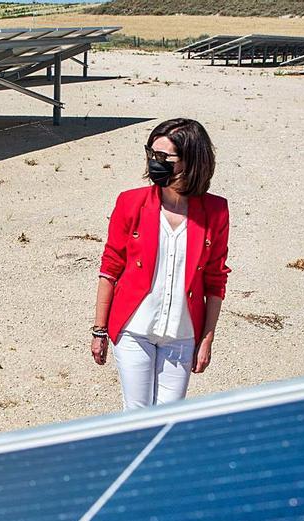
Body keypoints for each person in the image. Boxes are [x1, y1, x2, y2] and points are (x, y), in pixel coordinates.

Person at [91, 118, 230, 408]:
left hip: (182, 335)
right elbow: (110, 269)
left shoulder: (215, 211)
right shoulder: (130, 203)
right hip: (134, 330)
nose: (156, 162)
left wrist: (207, 338)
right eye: (152, 155)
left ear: (190, 161)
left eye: (164, 157)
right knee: (138, 416)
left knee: (168, 422)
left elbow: (216, 280)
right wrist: (99, 330)